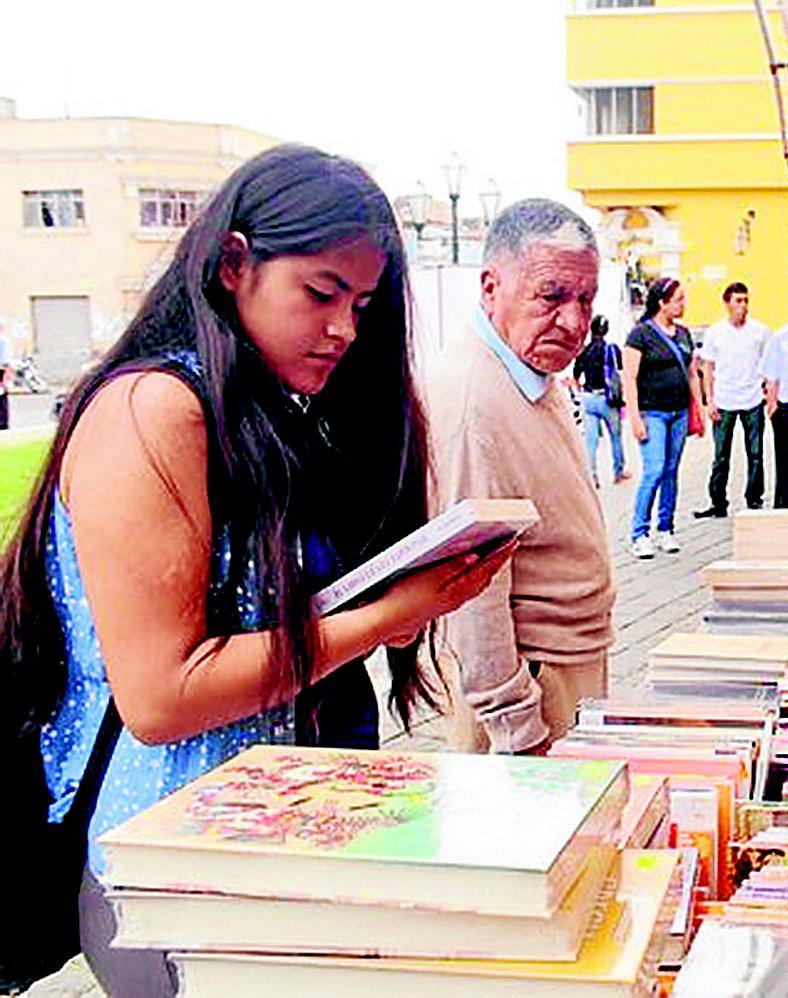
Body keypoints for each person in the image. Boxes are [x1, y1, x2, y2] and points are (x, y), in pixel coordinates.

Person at [0, 146, 510, 996]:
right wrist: (387, 616)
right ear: (233, 265)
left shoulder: (275, 412)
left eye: (363, 303)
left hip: (281, 853)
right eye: (320, 294)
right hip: (170, 872)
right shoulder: (151, 409)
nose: (345, 328)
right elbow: (162, 699)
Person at [426, 199, 615, 754]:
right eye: (552, 296)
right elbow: (468, 591)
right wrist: (516, 726)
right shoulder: (472, 400)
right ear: (491, 287)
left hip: (563, 666)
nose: (575, 321)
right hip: (528, 686)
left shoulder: (533, 373)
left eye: (586, 299)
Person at [624, 277, 696, 559]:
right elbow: (629, 377)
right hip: (652, 412)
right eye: (677, 299)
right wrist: (634, 418)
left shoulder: (684, 334)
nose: (682, 304)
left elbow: (691, 372)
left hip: (679, 411)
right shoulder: (640, 334)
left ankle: (665, 528)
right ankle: (639, 533)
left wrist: (698, 407)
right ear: (662, 302)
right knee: (654, 470)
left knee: (671, 471)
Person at [695, 282, 770, 518]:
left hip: (753, 398)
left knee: (756, 453)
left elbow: (767, 363)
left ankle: (754, 498)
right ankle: (718, 502)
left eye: (746, 300)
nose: (743, 306)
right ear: (727, 304)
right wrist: (710, 401)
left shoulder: (760, 331)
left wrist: (767, 391)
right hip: (725, 398)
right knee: (721, 455)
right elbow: (707, 368)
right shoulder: (715, 333)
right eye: (738, 301)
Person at [573, 314, 630, 486]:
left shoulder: (584, 351)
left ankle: (592, 475)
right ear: (606, 330)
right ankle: (618, 472)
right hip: (608, 399)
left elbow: (576, 376)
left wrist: (582, 391)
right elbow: (621, 370)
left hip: (589, 399)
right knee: (615, 436)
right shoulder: (611, 349)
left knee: (591, 440)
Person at [760, 320, 788, 508]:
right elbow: (771, 375)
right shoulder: (783, 336)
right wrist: (772, 406)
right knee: (785, 462)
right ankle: (783, 503)